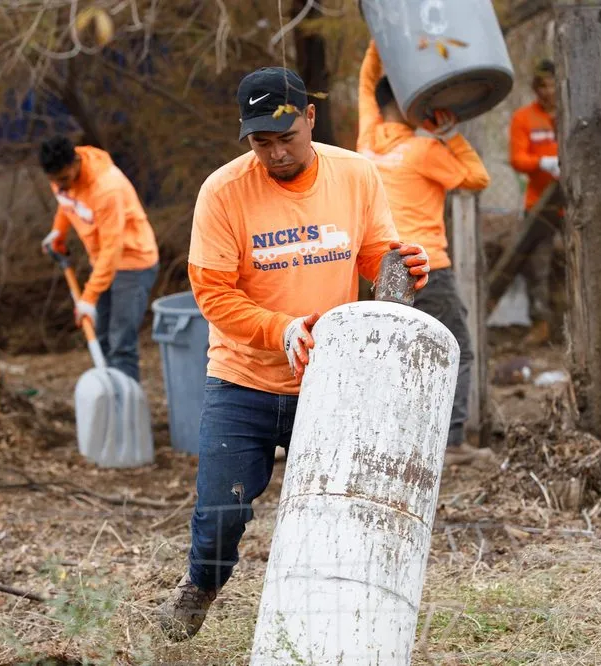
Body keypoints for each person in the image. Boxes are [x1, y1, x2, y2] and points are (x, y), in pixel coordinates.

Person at [154, 66, 431, 641]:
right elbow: (212, 293)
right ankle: (200, 586)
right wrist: (280, 330)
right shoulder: (223, 192)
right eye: (262, 142)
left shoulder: (355, 174)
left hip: (331, 382)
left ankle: (334, 620)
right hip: (243, 380)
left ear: (310, 117)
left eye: (287, 137)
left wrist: (402, 269)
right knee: (221, 510)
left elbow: (376, 256)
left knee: (341, 508)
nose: (276, 153)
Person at [356, 40, 492, 460]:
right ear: (411, 105)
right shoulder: (424, 150)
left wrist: (383, 35)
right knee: (456, 350)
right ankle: (452, 443)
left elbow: (366, 82)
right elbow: (477, 179)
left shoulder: (367, 141)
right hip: (426, 265)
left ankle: (391, 440)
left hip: (381, 268)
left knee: (394, 353)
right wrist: (450, 136)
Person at [38, 136, 159, 382]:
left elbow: (113, 248)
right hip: (103, 262)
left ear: (75, 163)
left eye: (63, 179)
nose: (59, 186)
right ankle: (109, 398)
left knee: (121, 344)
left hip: (133, 262)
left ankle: (125, 404)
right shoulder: (63, 180)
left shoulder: (106, 188)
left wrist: (89, 297)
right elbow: (66, 201)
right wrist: (59, 232)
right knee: (101, 339)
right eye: (54, 181)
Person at [508, 59, 564, 345]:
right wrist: (542, 162)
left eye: (552, 85)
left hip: (576, 204)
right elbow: (518, 158)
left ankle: (581, 320)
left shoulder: (573, 114)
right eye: (542, 85)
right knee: (536, 264)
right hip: (540, 203)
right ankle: (540, 322)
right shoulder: (524, 118)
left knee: (585, 261)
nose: (548, 91)